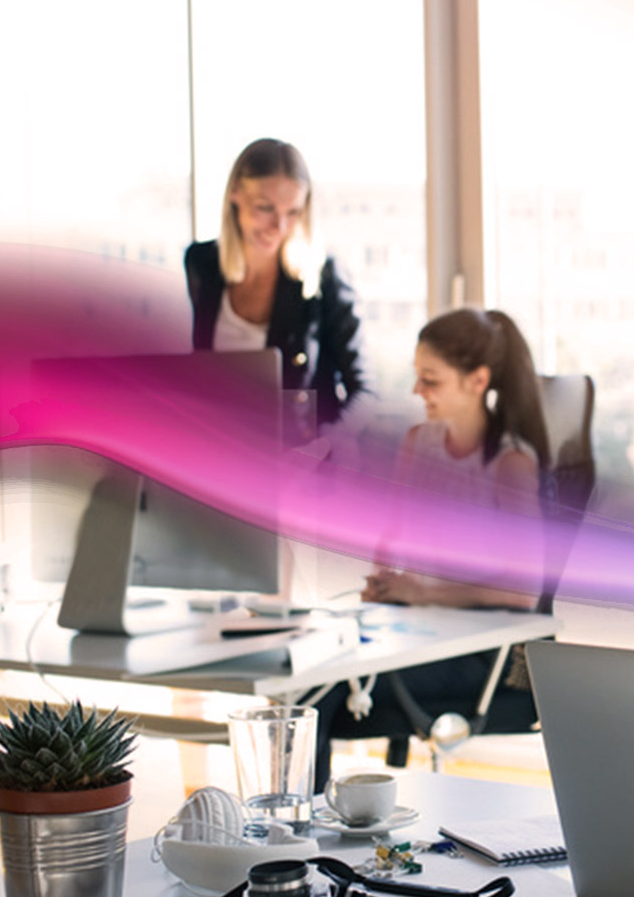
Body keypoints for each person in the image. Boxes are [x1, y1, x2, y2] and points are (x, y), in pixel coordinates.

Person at [310, 307, 551, 787]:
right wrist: (385, 582)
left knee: (317, 698)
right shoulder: (420, 442)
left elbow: (522, 592)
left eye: (431, 380)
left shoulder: (510, 464)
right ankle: (294, 836)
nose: (418, 391)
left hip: (485, 653)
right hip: (419, 631)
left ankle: (296, 838)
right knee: (307, 676)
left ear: (476, 381)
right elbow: (391, 537)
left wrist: (423, 593)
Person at [185, 137, 366, 428]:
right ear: (235, 194)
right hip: (216, 447)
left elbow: (364, 390)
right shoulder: (201, 263)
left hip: (302, 456)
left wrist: (326, 447)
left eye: (293, 212)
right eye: (265, 208)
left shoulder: (324, 275)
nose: (279, 227)